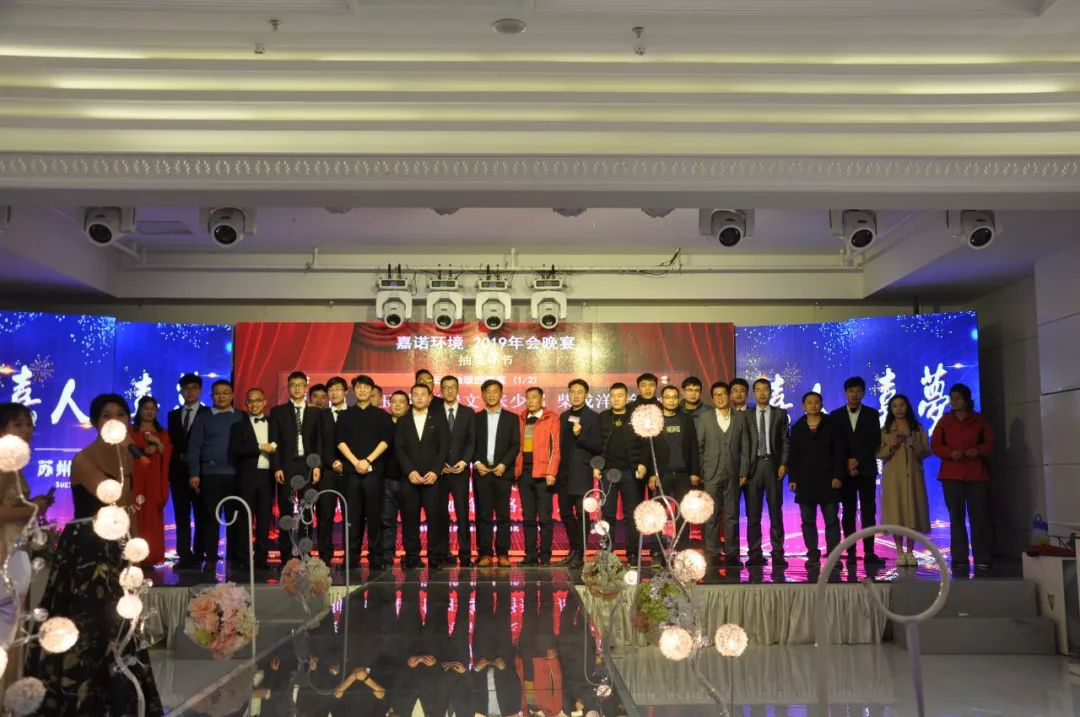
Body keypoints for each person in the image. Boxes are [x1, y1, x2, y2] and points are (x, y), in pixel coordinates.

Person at [24, 393, 164, 716]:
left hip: (116, 546)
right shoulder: (83, 459)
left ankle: (117, 698)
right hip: (87, 548)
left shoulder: (128, 456)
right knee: (86, 622)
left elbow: (131, 506)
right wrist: (128, 460)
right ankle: (80, 698)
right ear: (95, 422)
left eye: (121, 415)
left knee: (118, 620)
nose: (114, 420)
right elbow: (112, 497)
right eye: (106, 415)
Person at [931, 383, 995, 572]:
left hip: (976, 474)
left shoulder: (978, 420)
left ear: (966, 400)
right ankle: (959, 558)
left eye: (957, 398)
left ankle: (982, 557)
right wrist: (950, 453)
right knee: (956, 517)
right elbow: (936, 444)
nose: (953, 401)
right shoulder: (945, 421)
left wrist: (978, 450)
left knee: (979, 517)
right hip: (952, 474)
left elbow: (990, 442)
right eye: (951, 398)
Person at [269, 371, 328, 565]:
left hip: (308, 465)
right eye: (293, 384)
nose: (297, 388)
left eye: (301, 385)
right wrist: (277, 466)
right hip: (286, 465)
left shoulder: (315, 413)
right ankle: (286, 553)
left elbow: (319, 441)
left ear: (306, 387)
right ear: (288, 387)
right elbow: (274, 441)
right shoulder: (278, 412)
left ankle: (305, 551)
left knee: (307, 510)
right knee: (285, 509)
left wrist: (317, 465)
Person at [334, 375, 393, 569]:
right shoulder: (345, 415)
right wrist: (355, 462)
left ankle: (376, 557)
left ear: (372, 391)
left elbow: (386, 441)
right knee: (352, 517)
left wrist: (367, 461)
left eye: (366, 387)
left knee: (375, 516)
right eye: (358, 387)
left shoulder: (382, 416)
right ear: (353, 390)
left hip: (373, 473)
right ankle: (351, 557)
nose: (362, 390)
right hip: (351, 473)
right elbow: (340, 441)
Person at [187, 379, 244, 572]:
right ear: (211, 396)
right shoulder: (203, 418)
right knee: (210, 518)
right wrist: (194, 473)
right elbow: (194, 446)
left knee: (234, 519)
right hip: (210, 475)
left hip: (235, 475)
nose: (221, 396)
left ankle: (234, 558)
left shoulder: (240, 416)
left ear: (232, 395)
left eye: (225, 393)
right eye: (217, 393)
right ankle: (210, 558)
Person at [787, 391, 845, 568]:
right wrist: (793, 478)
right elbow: (793, 456)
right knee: (808, 521)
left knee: (832, 521)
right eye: (809, 402)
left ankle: (833, 556)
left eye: (816, 402)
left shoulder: (832, 424)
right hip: (805, 482)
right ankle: (812, 554)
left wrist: (837, 475)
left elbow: (839, 452)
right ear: (803, 406)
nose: (813, 405)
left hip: (829, 481)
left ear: (821, 404)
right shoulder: (798, 427)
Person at [395, 383, 449, 569]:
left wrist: (435, 471)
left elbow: (444, 447)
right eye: (415, 394)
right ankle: (412, 556)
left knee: (435, 518)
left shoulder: (439, 419)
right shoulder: (403, 420)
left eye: (423, 394)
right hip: (409, 478)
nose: (419, 397)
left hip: (432, 478)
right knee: (409, 518)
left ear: (430, 397)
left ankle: (435, 556)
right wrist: (410, 471)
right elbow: (399, 449)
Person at [696, 382, 749, 566]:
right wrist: (702, 471)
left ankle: (732, 553)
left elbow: (745, 447)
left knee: (732, 515)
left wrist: (743, 470)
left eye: (723, 394)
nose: (720, 397)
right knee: (711, 515)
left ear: (729, 396)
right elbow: (699, 447)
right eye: (716, 395)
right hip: (711, 473)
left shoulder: (740, 418)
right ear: (712, 398)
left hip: (733, 473)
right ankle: (712, 553)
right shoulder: (705, 418)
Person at [878, 394, 932, 567]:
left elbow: (926, 451)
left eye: (901, 405)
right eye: (894, 406)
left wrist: (912, 442)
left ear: (907, 406)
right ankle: (900, 552)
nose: (898, 409)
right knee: (897, 512)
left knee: (912, 512)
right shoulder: (885, 430)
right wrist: (892, 445)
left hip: (913, 476)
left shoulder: (917, 428)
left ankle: (910, 551)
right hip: (894, 477)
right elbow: (879, 453)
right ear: (890, 409)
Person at [648, 385, 701, 559]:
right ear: (661, 399)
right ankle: (657, 549)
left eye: (674, 397)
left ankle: (682, 548)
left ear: (678, 399)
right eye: (667, 397)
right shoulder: (654, 420)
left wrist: (694, 472)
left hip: (682, 474)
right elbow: (649, 450)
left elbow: (693, 446)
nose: (671, 400)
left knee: (683, 512)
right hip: (661, 474)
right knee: (657, 512)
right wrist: (652, 474)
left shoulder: (686, 419)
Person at [598, 383, 648, 563]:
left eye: (620, 395)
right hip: (608, 472)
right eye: (613, 395)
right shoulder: (603, 417)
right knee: (607, 515)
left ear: (627, 397)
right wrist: (597, 465)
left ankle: (633, 553)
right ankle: (607, 553)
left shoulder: (635, 416)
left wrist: (643, 463)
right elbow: (597, 444)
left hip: (630, 472)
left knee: (631, 515)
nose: (616, 399)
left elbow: (645, 443)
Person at [555, 379, 602, 568]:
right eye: (572, 392)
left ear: (586, 395)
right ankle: (574, 549)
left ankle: (580, 553)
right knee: (565, 512)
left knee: (582, 514)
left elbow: (598, 446)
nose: (575, 395)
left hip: (582, 472)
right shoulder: (564, 415)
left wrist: (580, 435)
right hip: (563, 472)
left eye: (579, 392)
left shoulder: (593, 417)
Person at [473, 379, 520, 568]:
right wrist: (477, 462)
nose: (491, 395)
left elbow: (515, 445)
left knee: (503, 515)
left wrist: (504, 464)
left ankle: (503, 553)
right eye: (488, 392)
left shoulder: (511, 418)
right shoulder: (475, 418)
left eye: (495, 391)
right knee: (483, 515)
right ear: (482, 394)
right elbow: (470, 443)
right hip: (482, 473)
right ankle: (485, 553)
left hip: (502, 473)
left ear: (501, 394)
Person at [228, 387, 277, 570]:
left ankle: (262, 559)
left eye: (257, 400)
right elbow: (235, 450)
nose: (254, 404)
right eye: (250, 401)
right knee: (244, 519)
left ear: (264, 403)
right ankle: (244, 559)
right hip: (246, 478)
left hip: (268, 477)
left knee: (264, 520)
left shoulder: (273, 423)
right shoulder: (238, 426)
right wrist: (260, 447)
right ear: (245, 404)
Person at [837, 376, 884, 564]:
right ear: (846, 393)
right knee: (848, 512)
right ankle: (850, 552)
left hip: (866, 469)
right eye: (851, 391)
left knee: (868, 511)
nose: (854, 394)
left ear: (863, 393)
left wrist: (857, 460)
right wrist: (847, 462)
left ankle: (869, 552)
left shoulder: (872, 414)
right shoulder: (836, 415)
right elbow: (837, 443)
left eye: (858, 391)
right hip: (845, 471)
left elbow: (874, 441)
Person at [0, 403, 54, 562]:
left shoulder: (13, 462)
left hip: (15, 541)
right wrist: (33, 510)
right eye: (18, 425)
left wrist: (32, 503)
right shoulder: (4, 463)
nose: (26, 430)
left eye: (29, 424)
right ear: (2, 431)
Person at [167, 373, 210, 569]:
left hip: (200, 470)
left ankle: (200, 552)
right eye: (186, 388)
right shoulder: (173, 415)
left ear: (200, 390)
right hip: (178, 471)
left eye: (194, 388)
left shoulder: (208, 413)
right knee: (181, 515)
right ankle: (184, 554)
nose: (190, 391)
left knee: (201, 514)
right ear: (181, 391)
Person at [745, 378, 790, 567]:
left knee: (775, 512)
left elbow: (785, 440)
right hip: (753, 467)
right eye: (758, 389)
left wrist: (784, 463)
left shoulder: (780, 414)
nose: (762, 393)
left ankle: (778, 552)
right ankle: (755, 553)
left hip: (773, 465)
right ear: (754, 393)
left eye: (765, 389)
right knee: (753, 514)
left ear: (770, 392)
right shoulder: (746, 415)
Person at [515, 387, 561, 566]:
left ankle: (545, 555)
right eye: (528, 398)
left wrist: (551, 471)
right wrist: (516, 473)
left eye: (534, 397)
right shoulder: (521, 418)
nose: (531, 401)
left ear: (542, 399)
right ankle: (530, 555)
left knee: (545, 518)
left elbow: (555, 448)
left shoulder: (551, 418)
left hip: (543, 474)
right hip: (524, 474)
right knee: (528, 517)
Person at [434, 375, 476, 567]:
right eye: (445, 387)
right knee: (440, 514)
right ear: (441, 390)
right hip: (440, 472)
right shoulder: (434, 412)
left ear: (458, 389)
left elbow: (471, 441)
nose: (449, 390)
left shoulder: (468, 413)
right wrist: (438, 464)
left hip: (460, 471)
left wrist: (464, 462)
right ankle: (442, 552)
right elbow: (431, 442)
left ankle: (465, 553)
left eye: (452, 387)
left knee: (462, 513)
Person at [130, 395, 171, 567]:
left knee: (152, 515)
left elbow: (167, 455)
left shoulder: (162, 433)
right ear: (139, 410)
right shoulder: (131, 431)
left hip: (154, 478)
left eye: (152, 409)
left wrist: (158, 443)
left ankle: (151, 555)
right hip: (136, 477)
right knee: (135, 513)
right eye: (146, 408)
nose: (149, 412)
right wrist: (143, 450)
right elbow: (125, 452)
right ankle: (132, 555)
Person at [315, 376, 350, 565]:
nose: (334, 393)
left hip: (350, 471)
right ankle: (324, 556)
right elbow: (318, 443)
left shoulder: (354, 414)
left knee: (349, 515)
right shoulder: (321, 415)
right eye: (331, 390)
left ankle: (349, 555)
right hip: (327, 472)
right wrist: (331, 462)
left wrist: (345, 463)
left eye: (338, 389)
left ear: (346, 392)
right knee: (325, 515)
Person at [379, 390, 410, 566]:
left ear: (407, 405)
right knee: (387, 520)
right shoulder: (383, 424)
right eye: (394, 401)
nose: (397, 405)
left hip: (408, 480)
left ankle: (410, 554)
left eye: (401, 402)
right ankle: (387, 555)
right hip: (386, 479)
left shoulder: (412, 424)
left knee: (409, 520)